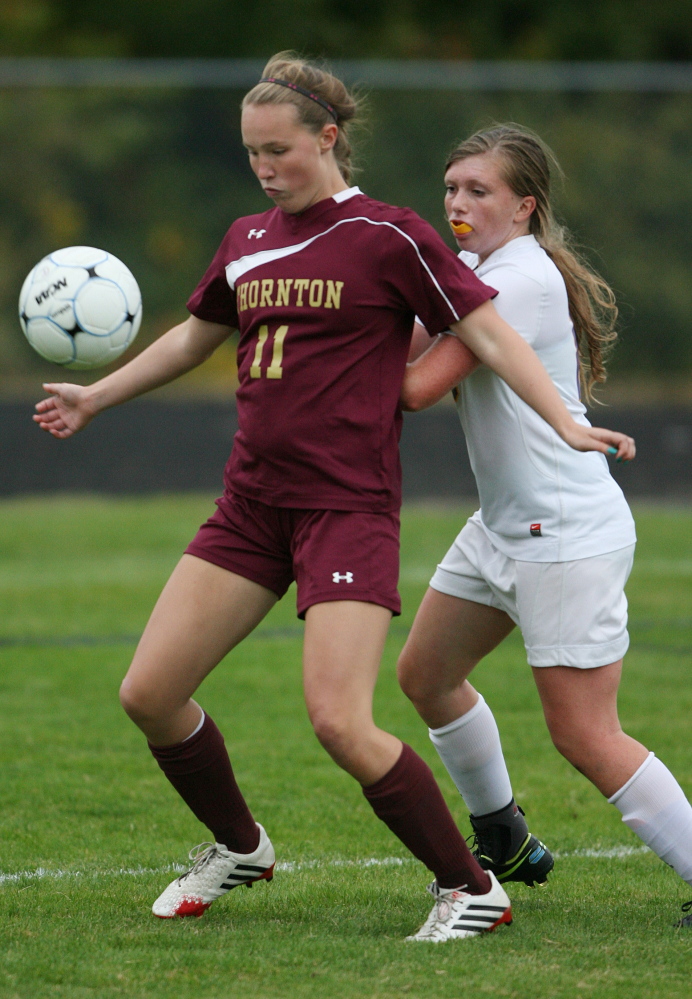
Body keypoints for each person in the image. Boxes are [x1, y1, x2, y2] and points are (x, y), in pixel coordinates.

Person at [34, 60, 633, 944]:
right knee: (150, 692)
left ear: (327, 139)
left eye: (278, 149)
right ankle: (240, 845)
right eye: (250, 153)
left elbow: (491, 334)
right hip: (250, 504)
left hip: (344, 508)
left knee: (340, 720)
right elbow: (193, 337)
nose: (265, 167)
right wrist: (96, 396)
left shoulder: (390, 236)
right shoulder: (246, 238)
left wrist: (567, 423)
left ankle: (470, 888)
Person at [397, 123, 692, 929]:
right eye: (452, 188)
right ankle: (506, 837)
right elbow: (411, 338)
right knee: (426, 674)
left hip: (562, 534)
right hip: (503, 528)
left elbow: (415, 386)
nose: (458, 203)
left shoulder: (518, 281)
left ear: (524, 207)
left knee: (587, 735)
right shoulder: (478, 270)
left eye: (479, 191)